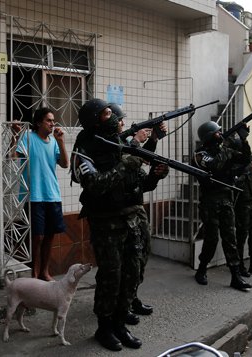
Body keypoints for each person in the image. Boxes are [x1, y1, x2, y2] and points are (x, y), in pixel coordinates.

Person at [73, 98, 168, 351]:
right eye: (106, 114)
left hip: (129, 220)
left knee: (131, 273)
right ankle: (104, 327)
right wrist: (128, 158)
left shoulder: (119, 145)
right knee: (111, 277)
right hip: (106, 224)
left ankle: (119, 323)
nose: (113, 117)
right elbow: (95, 185)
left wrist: (155, 177)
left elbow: (139, 184)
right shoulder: (85, 149)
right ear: (94, 120)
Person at [113, 104, 165, 325]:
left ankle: (131, 296)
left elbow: (142, 180)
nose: (123, 123)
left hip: (137, 208)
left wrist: (155, 174)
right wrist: (136, 142)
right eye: (119, 120)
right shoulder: (111, 146)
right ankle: (118, 305)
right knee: (126, 262)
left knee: (142, 255)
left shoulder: (125, 144)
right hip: (120, 213)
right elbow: (124, 165)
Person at [192, 121, 252, 291]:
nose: (221, 135)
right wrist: (224, 145)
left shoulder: (225, 150)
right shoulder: (199, 154)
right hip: (210, 201)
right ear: (209, 136)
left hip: (226, 199)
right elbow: (215, 166)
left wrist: (244, 140)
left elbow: (246, 159)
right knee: (211, 238)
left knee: (230, 238)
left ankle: (235, 276)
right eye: (218, 133)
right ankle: (202, 269)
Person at [16, 107, 69, 281]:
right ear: (38, 123)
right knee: (37, 236)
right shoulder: (28, 138)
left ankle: (44, 272)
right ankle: (34, 274)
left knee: (50, 235)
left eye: (53, 120)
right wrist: (15, 136)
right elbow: (13, 156)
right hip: (33, 195)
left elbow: (65, 164)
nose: (52, 124)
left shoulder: (54, 141)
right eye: (48, 120)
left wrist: (61, 142)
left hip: (52, 194)